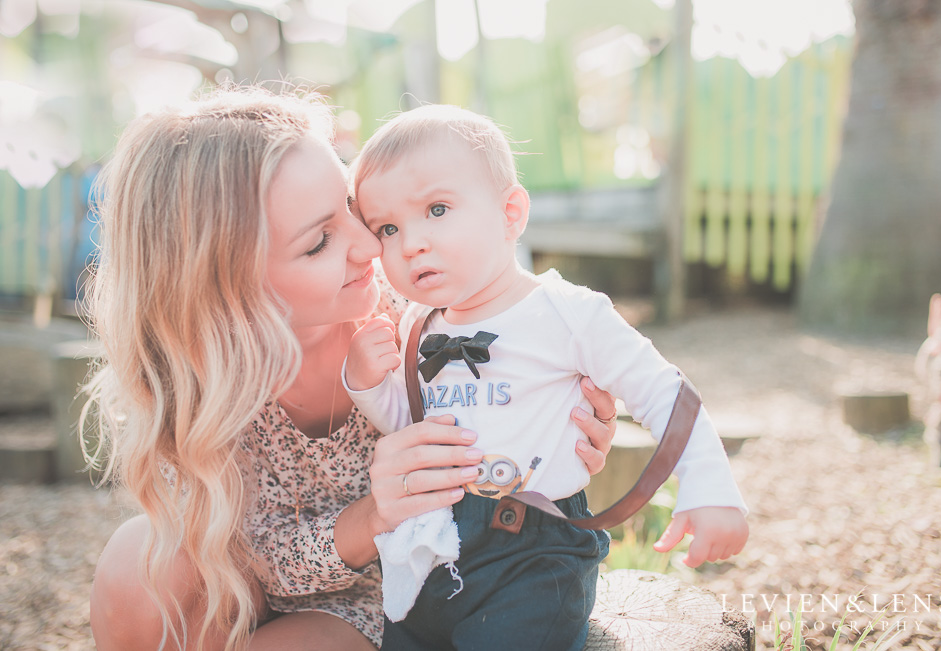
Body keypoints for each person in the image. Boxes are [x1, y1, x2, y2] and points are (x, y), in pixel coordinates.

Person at [84, 86, 619, 651]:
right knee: (137, 565)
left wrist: (556, 421)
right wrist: (369, 516)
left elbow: (534, 353)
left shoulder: (423, 313)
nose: (368, 243)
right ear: (225, 288)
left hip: (400, 594)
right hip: (244, 588)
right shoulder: (195, 379)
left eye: (350, 207)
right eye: (320, 241)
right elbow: (251, 556)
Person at [343, 104, 749, 649]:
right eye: (387, 228)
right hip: (433, 545)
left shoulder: (566, 312)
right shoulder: (418, 325)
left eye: (437, 209)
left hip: (533, 552)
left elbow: (663, 390)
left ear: (511, 213)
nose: (410, 242)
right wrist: (369, 383)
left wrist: (708, 485)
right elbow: (413, 427)